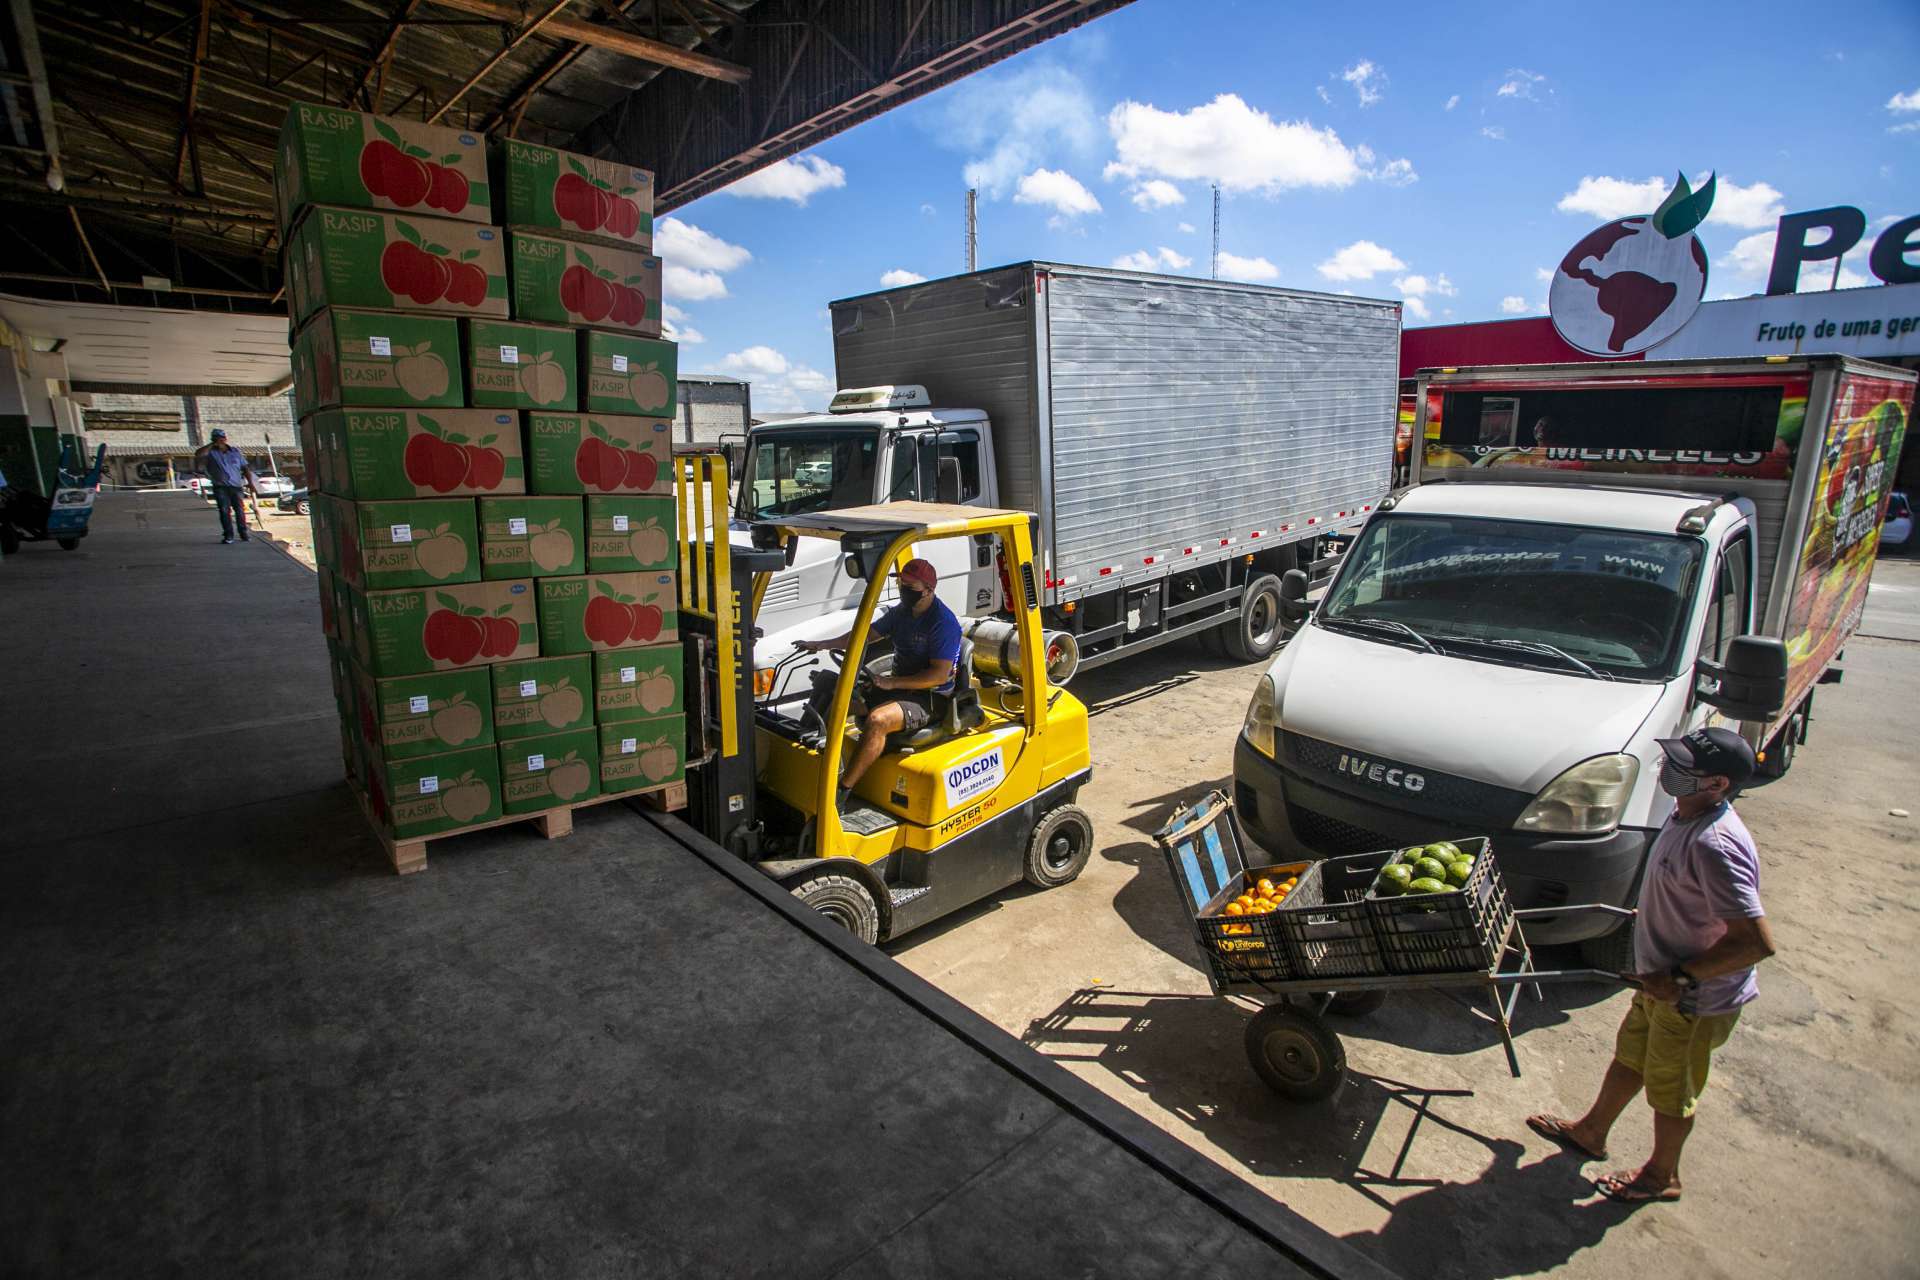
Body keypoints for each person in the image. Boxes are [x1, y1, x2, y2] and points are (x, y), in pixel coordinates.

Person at [1525, 727, 1776, 1204]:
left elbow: (1755, 943)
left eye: (1684, 768)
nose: (1668, 771)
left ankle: (1663, 1176)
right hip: (1662, 983)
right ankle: (1591, 1132)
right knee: (1631, 1057)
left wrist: (1679, 977)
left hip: (1692, 998)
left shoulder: (1715, 845)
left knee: (1670, 1088)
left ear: (1718, 784)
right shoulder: (1684, 816)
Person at [797, 558, 963, 810]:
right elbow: (864, 635)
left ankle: (841, 793)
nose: (903, 587)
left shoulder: (943, 623)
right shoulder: (901, 613)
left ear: (929, 589)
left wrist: (891, 682)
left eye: (910, 584)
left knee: (878, 720)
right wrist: (821, 644)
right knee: (831, 687)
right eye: (901, 582)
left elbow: (939, 675)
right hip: (898, 688)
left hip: (928, 698)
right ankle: (807, 754)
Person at [195, 429, 257, 544]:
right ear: (213, 440)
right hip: (221, 487)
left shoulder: (235, 452)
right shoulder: (210, 453)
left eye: (221, 438)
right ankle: (228, 535)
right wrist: (212, 445)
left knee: (239, 511)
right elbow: (198, 454)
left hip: (236, 487)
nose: (220, 441)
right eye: (216, 438)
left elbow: (245, 468)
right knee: (224, 511)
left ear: (225, 439)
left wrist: (251, 483)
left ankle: (243, 533)